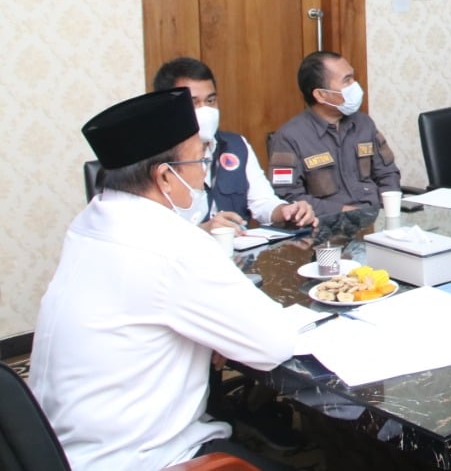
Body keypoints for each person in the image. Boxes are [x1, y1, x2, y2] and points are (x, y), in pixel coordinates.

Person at [29, 89, 297, 470]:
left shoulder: (90, 222)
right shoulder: (173, 244)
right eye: (199, 160)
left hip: (58, 449)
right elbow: (273, 344)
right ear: (166, 177)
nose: (204, 172)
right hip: (142, 459)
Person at [153, 57, 316, 231]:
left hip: (238, 246)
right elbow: (152, 232)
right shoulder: (154, 159)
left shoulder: (236, 145)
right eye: (194, 103)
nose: (205, 110)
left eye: (210, 101)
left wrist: (287, 211)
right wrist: (204, 230)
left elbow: (263, 202)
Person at [268, 51, 401, 215]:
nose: (355, 85)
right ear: (321, 95)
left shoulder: (364, 123)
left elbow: (388, 173)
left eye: (353, 77)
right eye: (347, 80)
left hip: (376, 217)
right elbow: (288, 196)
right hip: (327, 224)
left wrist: (388, 208)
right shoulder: (289, 137)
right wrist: (345, 212)